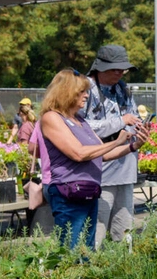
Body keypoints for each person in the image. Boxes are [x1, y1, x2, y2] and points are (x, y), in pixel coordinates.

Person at [41, 69, 148, 250]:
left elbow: (103, 155)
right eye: (81, 91)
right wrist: (117, 142)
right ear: (66, 92)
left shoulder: (80, 120)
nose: (86, 95)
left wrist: (133, 146)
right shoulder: (52, 118)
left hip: (88, 192)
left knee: (87, 250)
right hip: (69, 194)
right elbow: (79, 153)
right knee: (71, 249)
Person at [82, 44, 142, 248]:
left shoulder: (123, 88)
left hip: (125, 168)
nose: (120, 72)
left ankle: (123, 271)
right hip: (100, 172)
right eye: (114, 68)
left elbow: (133, 118)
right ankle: (90, 269)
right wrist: (120, 122)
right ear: (99, 67)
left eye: (122, 68)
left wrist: (139, 127)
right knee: (96, 227)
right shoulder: (85, 89)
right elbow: (79, 127)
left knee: (124, 228)